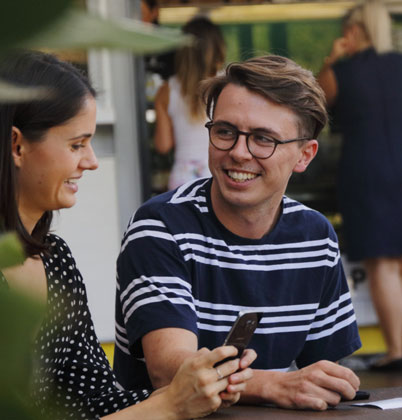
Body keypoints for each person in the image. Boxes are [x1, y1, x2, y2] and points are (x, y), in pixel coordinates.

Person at [0, 50, 255, 419]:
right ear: (16, 145)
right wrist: (168, 405)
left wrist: (192, 388)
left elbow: (94, 400)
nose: (91, 161)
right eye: (76, 144)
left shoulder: (53, 259)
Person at [112, 55, 363, 411]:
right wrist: (276, 384)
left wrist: (325, 384)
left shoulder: (315, 237)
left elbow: (320, 371)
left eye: (263, 139)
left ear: (305, 155)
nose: (238, 153)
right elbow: (170, 372)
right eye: (225, 132)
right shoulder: (160, 226)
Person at [317, 1, 402, 371]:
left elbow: (312, 104)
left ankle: (395, 351)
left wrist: (329, 60)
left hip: (365, 167)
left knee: (381, 263)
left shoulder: (340, 71)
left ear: (354, 31)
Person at [154, 17, 226, 189]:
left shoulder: (166, 90)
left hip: (183, 178)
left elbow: (163, 146)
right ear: (218, 48)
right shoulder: (227, 85)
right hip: (218, 174)